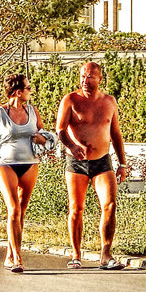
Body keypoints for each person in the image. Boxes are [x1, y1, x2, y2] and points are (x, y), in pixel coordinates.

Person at [0, 74, 51, 273]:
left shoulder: (32, 111)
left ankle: (10, 254)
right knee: (13, 209)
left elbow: (43, 135)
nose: (31, 91)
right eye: (28, 88)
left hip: (30, 163)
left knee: (20, 212)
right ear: (18, 92)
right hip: (5, 164)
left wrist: (43, 140)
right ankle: (18, 258)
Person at [56, 61, 128, 270]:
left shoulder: (109, 102)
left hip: (102, 162)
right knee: (76, 208)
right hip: (76, 163)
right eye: (82, 76)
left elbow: (115, 134)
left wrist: (122, 163)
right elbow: (60, 130)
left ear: (100, 79)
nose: (85, 81)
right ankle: (76, 254)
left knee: (109, 205)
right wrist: (72, 145)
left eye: (90, 77)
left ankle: (106, 254)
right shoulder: (70, 100)